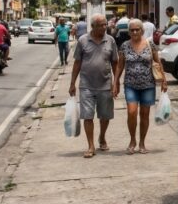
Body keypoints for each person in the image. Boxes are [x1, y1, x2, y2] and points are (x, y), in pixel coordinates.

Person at [114, 18, 167, 154]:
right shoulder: (125, 46)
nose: (135, 32)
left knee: (145, 114)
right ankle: (132, 140)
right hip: (130, 84)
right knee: (131, 112)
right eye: (132, 30)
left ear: (142, 31)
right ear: (129, 32)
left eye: (137, 29)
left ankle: (142, 142)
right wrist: (115, 83)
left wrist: (164, 80)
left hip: (148, 84)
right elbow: (120, 65)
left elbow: (158, 62)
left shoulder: (150, 44)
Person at [68, 15, 118, 158]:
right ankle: (91, 146)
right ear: (93, 26)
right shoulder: (83, 40)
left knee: (105, 116)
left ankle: (102, 137)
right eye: (101, 25)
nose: (104, 27)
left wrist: (116, 82)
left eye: (105, 25)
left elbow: (115, 62)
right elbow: (77, 63)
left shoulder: (111, 40)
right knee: (87, 116)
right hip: (86, 85)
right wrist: (72, 83)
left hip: (105, 84)